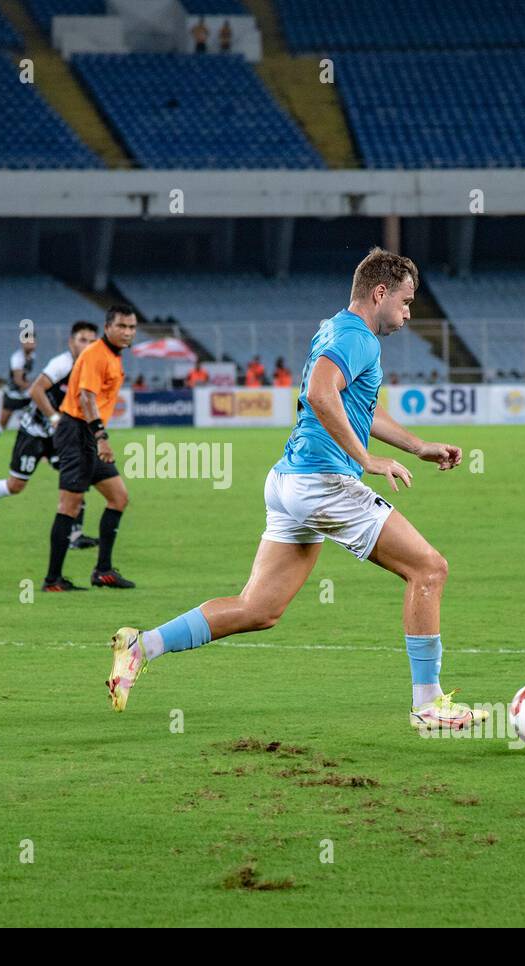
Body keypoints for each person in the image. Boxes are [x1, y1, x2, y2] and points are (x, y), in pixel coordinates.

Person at [103, 248, 487, 734]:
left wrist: (417, 446)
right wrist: (366, 460)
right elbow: (320, 395)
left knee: (258, 609)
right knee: (429, 569)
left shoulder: (336, 329)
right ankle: (429, 704)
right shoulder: (358, 338)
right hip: (324, 483)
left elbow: (355, 406)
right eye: (407, 301)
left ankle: (142, 646)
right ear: (380, 292)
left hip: (289, 482)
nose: (410, 313)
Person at [0, 321, 98, 549]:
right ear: (71, 342)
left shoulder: (90, 366)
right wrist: (55, 418)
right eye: (82, 340)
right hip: (34, 432)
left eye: (92, 341)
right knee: (15, 485)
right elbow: (35, 390)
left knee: (75, 477)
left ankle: (75, 536)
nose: (88, 345)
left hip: (58, 435)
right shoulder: (62, 364)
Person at [42, 305, 138, 591]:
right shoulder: (96, 354)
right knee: (69, 506)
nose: (128, 332)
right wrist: (101, 436)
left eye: (132, 328)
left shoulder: (112, 355)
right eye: (122, 326)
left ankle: (103, 571)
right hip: (77, 432)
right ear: (108, 326)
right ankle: (53, 580)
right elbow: (86, 397)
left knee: (119, 497)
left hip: (88, 434)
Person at [0, 330, 37, 463]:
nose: (30, 343)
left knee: (34, 422)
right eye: (27, 341)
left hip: (24, 396)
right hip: (13, 396)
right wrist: (35, 387)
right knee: (2, 424)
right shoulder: (17, 358)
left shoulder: (32, 356)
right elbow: (18, 380)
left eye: (32, 340)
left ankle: (41, 453)